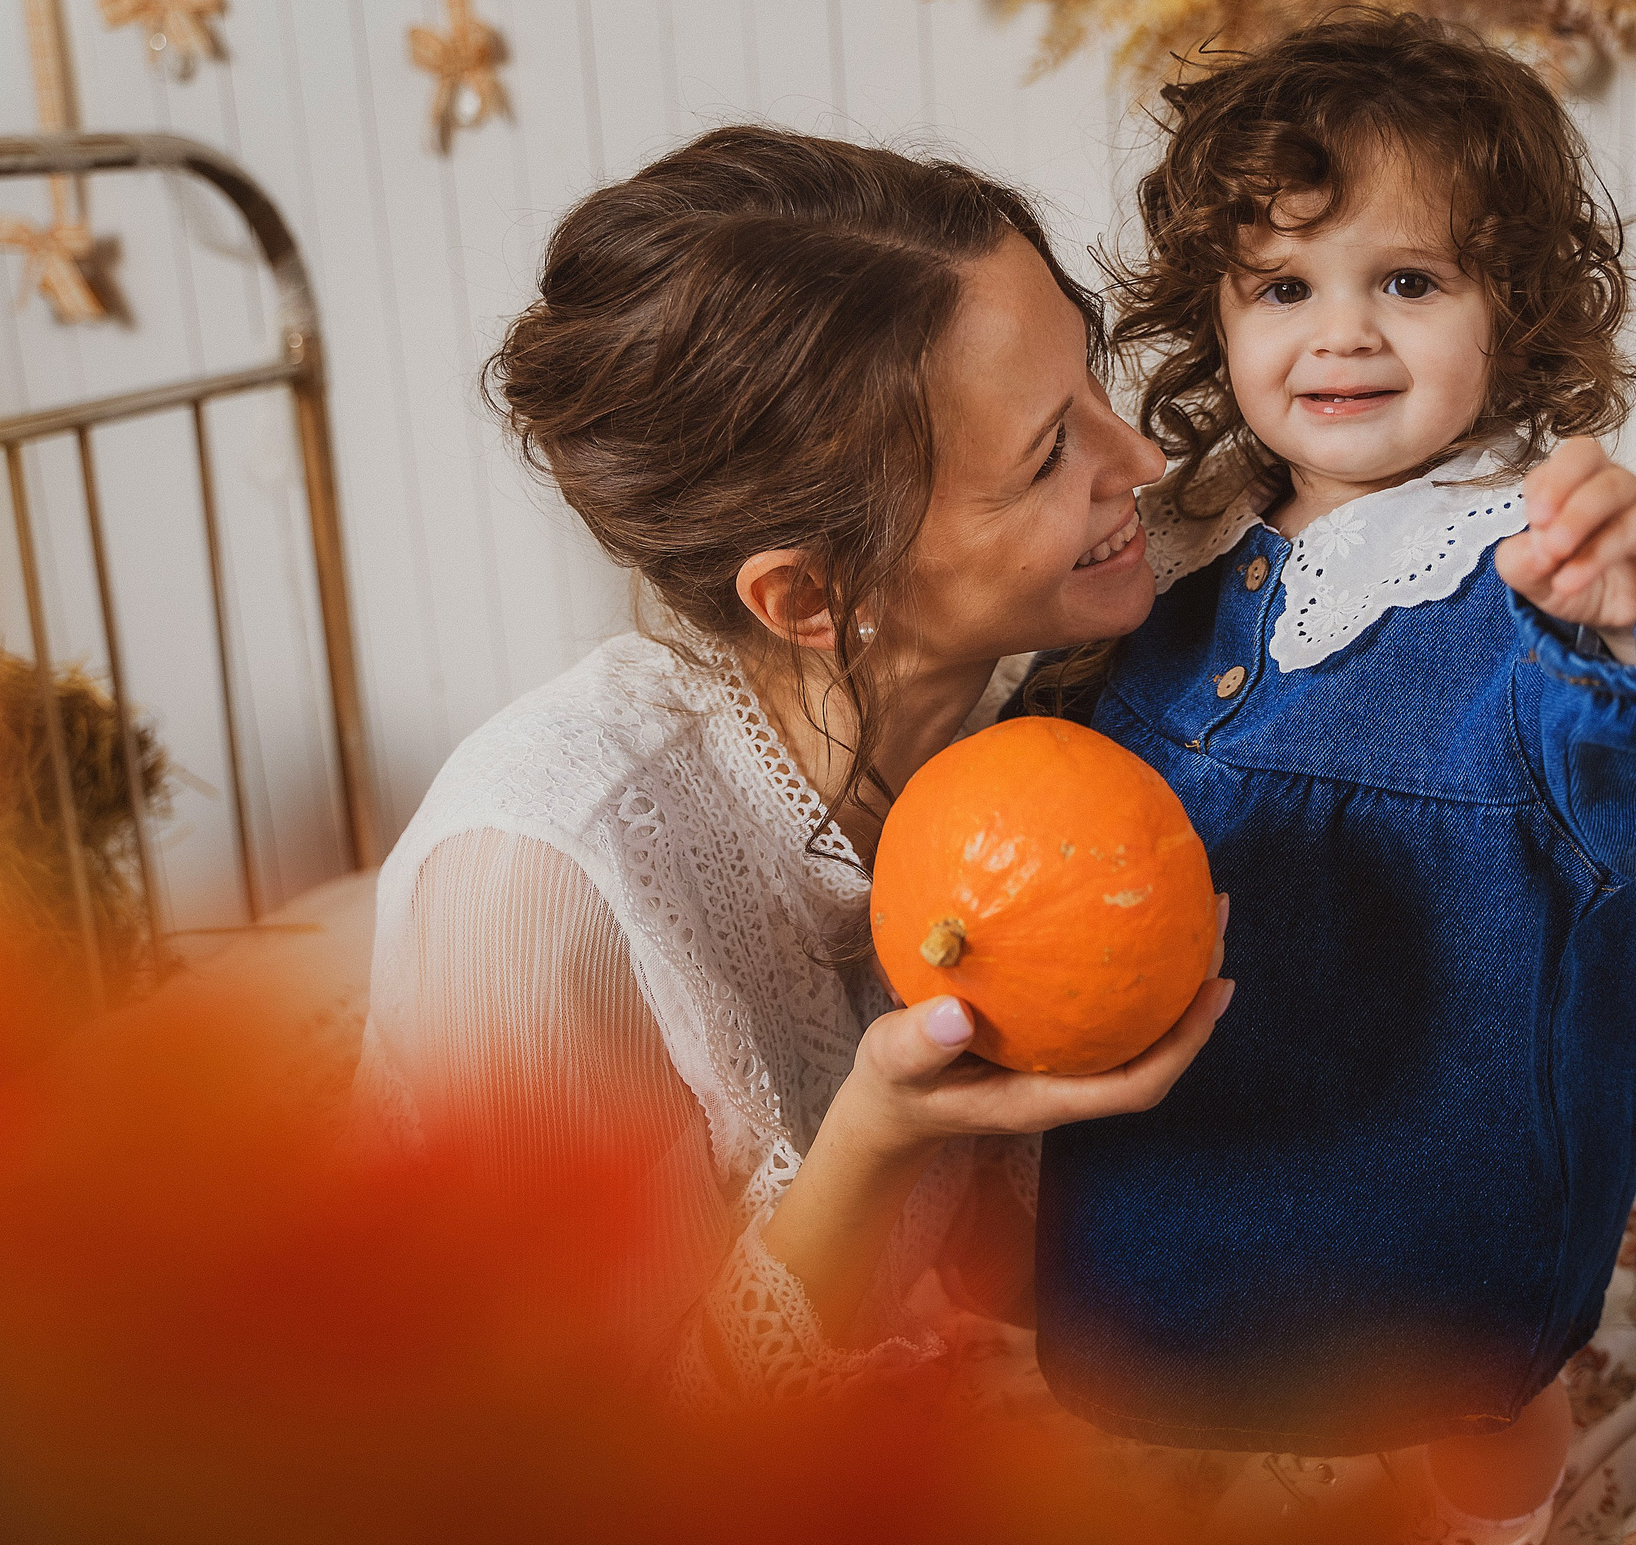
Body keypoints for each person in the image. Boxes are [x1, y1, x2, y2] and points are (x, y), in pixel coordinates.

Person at [1026, 12, 1636, 1545]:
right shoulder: (1175, 557)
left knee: (1477, 1386)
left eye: (1406, 281)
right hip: (1167, 1172)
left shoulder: (1540, 578)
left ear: (1517, 309)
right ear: (1213, 315)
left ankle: (1487, 1543)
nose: (1340, 333)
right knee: (1131, 1391)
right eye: (1284, 285)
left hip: (1441, 1191)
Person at [350, 126, 1232, 1405]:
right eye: (1051, 454)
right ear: (815, 596)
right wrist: (879, 1137)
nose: (1139, 462)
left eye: (1093, 384)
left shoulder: (997, 718)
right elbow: (568, 1490)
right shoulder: (534, 890)